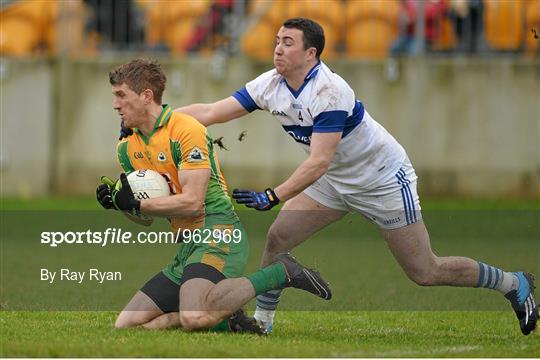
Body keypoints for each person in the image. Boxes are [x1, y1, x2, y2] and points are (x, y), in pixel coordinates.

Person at [138, 17, 537, 336]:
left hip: (380, 180)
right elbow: (211, 111)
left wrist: (273, 195)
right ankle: (263, 322)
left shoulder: (330, 92)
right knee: (278, 239)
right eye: (277, 40)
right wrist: (157, 120)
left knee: (424, 272)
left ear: (311, 53)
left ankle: (512, 283)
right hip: (335, 183)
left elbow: (318, 162)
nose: (278, 47)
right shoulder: (270, 84)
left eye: (288, 42)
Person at [97, 58, 331, 334]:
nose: (115, 105)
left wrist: (137, 203)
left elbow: (193, 202)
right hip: (186, 246)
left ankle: (281, 272)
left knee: (194, 318)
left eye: (121, 95)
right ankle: (226, 318)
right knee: (126, 325)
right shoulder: (127, 147)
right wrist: (120, 204)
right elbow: (147, 217)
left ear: (146, 96)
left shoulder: (186, 130)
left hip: (218, 232)